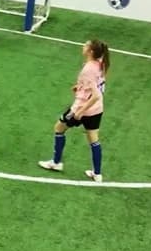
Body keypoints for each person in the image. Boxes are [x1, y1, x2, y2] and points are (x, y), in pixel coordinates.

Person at [38, 39, 111, 182]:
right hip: (97, 109)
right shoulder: (101, 64)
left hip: (81, 108)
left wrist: (80, 112)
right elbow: (96, 85)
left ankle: (56, 162)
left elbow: (96, 95)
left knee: (59, 128)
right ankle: (97, 174)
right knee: (93, 138)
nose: (83, 46)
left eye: (86, 45)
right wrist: (80, 87)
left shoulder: (88, 69)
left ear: (90, 51)